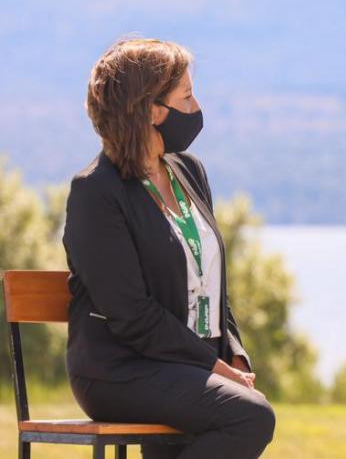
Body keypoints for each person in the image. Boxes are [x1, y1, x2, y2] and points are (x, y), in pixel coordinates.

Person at [63, 38, 276, 458]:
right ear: (150, 110)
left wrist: (233, 356)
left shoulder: (189, 172)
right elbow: (130, 315)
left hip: (185, 364)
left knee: (222, 417)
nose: (196, 108)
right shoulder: (95, 192)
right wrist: (211, 367)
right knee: (250, 415)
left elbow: (211, 282)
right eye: (187, 96)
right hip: (119, 369)